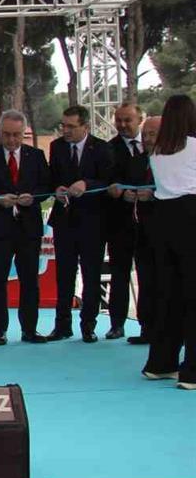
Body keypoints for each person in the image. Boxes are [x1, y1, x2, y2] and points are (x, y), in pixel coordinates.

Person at [0, 110, 51, 346]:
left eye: (16, 135)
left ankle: (29, 329)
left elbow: (46, 186)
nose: (11, 140)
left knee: (30, 281)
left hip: (28, 229)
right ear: (0, 133)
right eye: (7, 134)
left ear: (24, 133)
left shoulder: (36, 156)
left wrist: (33, 197)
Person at [142, 94, 196, 390]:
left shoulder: (158, 152)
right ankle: (192, 371)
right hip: (190, 215)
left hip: (163, 219)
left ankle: (161, 363)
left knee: (168, 293)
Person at [47, 104, 114, 342]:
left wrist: (87, 183)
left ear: (85, 126)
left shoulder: (102, 148)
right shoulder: (56, 147)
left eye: (71, 127)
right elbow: (51, 177)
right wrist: (56, 189)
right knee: (64, 275)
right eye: (63, 126)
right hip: (64, 221)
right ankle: (62, 325)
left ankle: (88, 325)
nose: (65, 131)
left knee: (91, 274)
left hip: (93, 222)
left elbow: (108, 180)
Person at [105, 103, 146, 340]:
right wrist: (119, 193)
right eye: (118, 120)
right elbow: (105, 181)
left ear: (140, 119)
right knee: (119, 274)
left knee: (148, 275)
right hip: (119, 223)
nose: (122, 125)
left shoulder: (154, 146)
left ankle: (147, 324)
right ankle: (116, 324)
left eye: (127, 120)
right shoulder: (108, 149)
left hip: (149, 222)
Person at [121, 116, 161, 345]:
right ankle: (146, 327)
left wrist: (154, 195)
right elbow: (124, 183)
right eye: (145, 135)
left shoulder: (174, 162)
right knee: (145, 279)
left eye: (152, 134)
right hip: (140, 229)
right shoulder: (136, 161)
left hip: (166, 230)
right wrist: (125, 193)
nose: (147, 139)